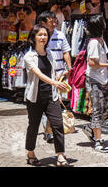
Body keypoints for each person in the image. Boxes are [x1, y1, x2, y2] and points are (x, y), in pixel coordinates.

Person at [24, 24, 70, 167]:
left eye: (45, 35)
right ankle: (30, 153)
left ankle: (60, 155)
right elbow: (38, 74)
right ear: (34, 37)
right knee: (33, 126)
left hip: (51, 96)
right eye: (40, 35)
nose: (43, 37)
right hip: (35, 97)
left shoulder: (49, 53)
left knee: (58, 124)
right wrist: (55, 84)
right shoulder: (28, 56)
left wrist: (58, 87)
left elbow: (52, 73)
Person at [82, 14, 108, 153]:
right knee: (97, 110)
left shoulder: (101, 40)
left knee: (107, 109)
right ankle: (98, 142)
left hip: (103, 80)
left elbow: (106, 59)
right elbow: (92, 63)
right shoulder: (93, 43)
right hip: (94, 80)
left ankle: (90, 128)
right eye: (102, 22)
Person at [37, 11, 72, 143]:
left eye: (55, 20)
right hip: (45, 75)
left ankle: (51, 129)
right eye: (51, 20)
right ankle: (49, 131)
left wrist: (69, 67)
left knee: (56, 101)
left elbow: (66, 52)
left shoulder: (61, 35)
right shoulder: (40, 37)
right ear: (43, 23)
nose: (54, 22)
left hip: (60, 74)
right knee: (48, 102)